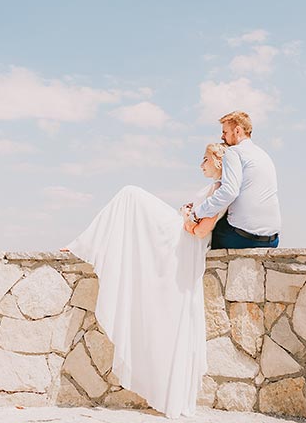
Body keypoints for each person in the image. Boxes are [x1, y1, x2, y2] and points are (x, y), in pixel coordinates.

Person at [62, 143, 227, 418]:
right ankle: (88, 241)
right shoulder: (216, 189)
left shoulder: (221, 191)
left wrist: (187, 215)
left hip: (184, 240)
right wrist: (189, 211)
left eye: (205, 159)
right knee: (129, 198)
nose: (201, 164)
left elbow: (200, 231)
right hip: (183, 234)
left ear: (219, 162)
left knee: (130, 195)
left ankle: (87, 242)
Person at [185, 110, 281, 249]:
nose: (222, 136)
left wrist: (196, 215)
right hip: (272, 240)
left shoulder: (233, 152)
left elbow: (229, 192)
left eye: (225, 132)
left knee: (204, 236)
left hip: (244, 239)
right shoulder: (264, 155)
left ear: (237, 130)